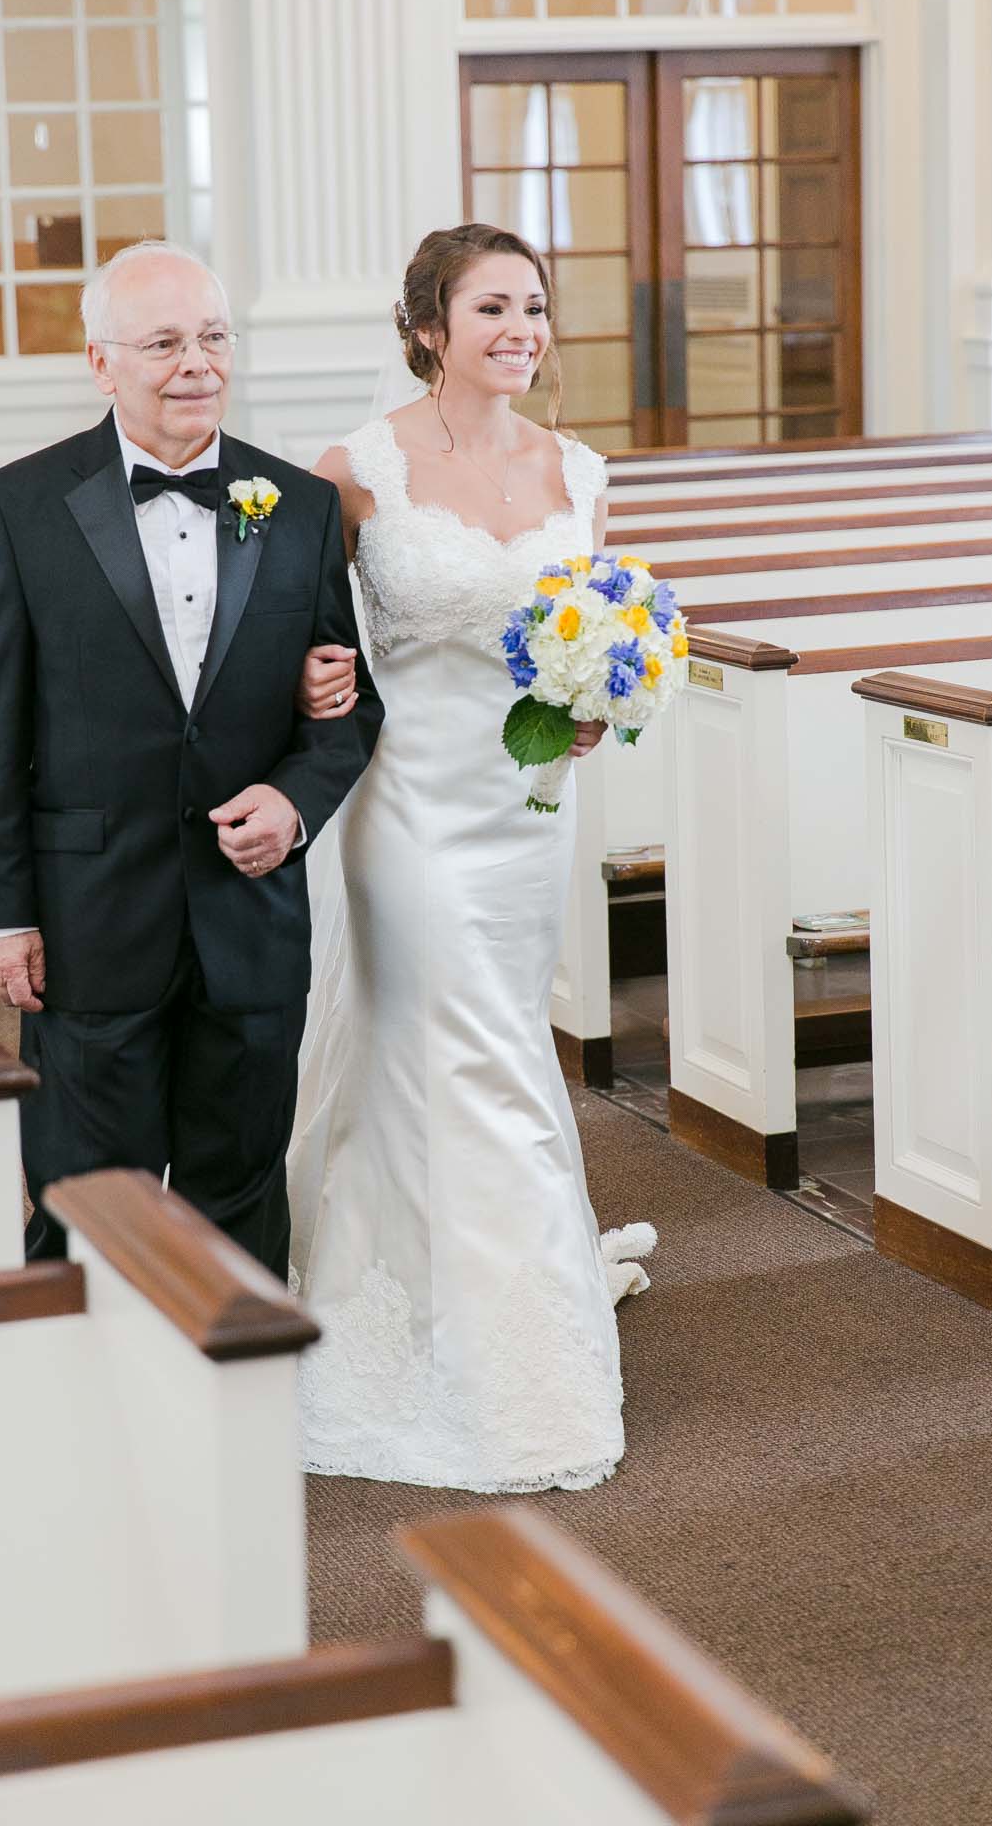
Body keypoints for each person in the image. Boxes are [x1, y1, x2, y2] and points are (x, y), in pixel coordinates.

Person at [287, 222, 655, 1493]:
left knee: (483, 1042)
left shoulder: (579, 470)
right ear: (428, 327)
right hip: (408, 807)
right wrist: (313, 679)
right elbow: (290, 633)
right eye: (491, 307)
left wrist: (601, 698)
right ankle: (503, 1362)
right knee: (475, 1054)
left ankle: (475, 1288)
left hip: (527, 811)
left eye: (533, 307)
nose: (520, 330)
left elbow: (596, 629)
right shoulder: (359, 468)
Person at [0, 241, 382, 1274]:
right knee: (88, 1198)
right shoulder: (18, 506)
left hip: (249, 918)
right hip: (90, 916)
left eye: (214, 336)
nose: (197, 363)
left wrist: (295, 800)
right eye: (164, 342)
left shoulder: (299, 505)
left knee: (241, 1187)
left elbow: (346, 703)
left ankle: (241, 1378)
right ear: (101, 362)